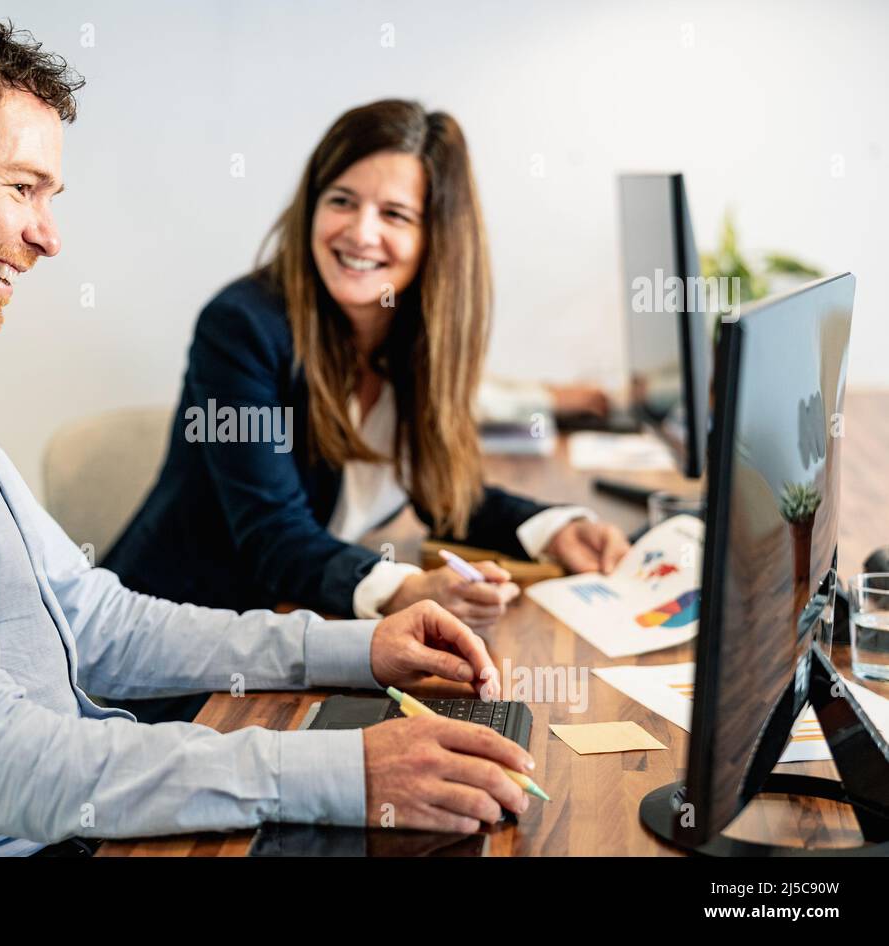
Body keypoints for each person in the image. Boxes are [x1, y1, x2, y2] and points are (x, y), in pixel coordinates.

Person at [0, 3, 535, 855]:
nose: (48, 237)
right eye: (22, 188)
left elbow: (93, 621)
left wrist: (359, 650)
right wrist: (339, 771)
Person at [104, 100, 630, 720]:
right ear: (311, 207)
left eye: (395, 214)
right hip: (175, 662)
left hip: (288, 633)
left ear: (437, 237)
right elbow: (274, 537)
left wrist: (554, 528)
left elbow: (443, 489)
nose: (360, 233)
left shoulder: (413, 337)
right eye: (342, 200)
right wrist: (402, 587)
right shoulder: (243, 326)